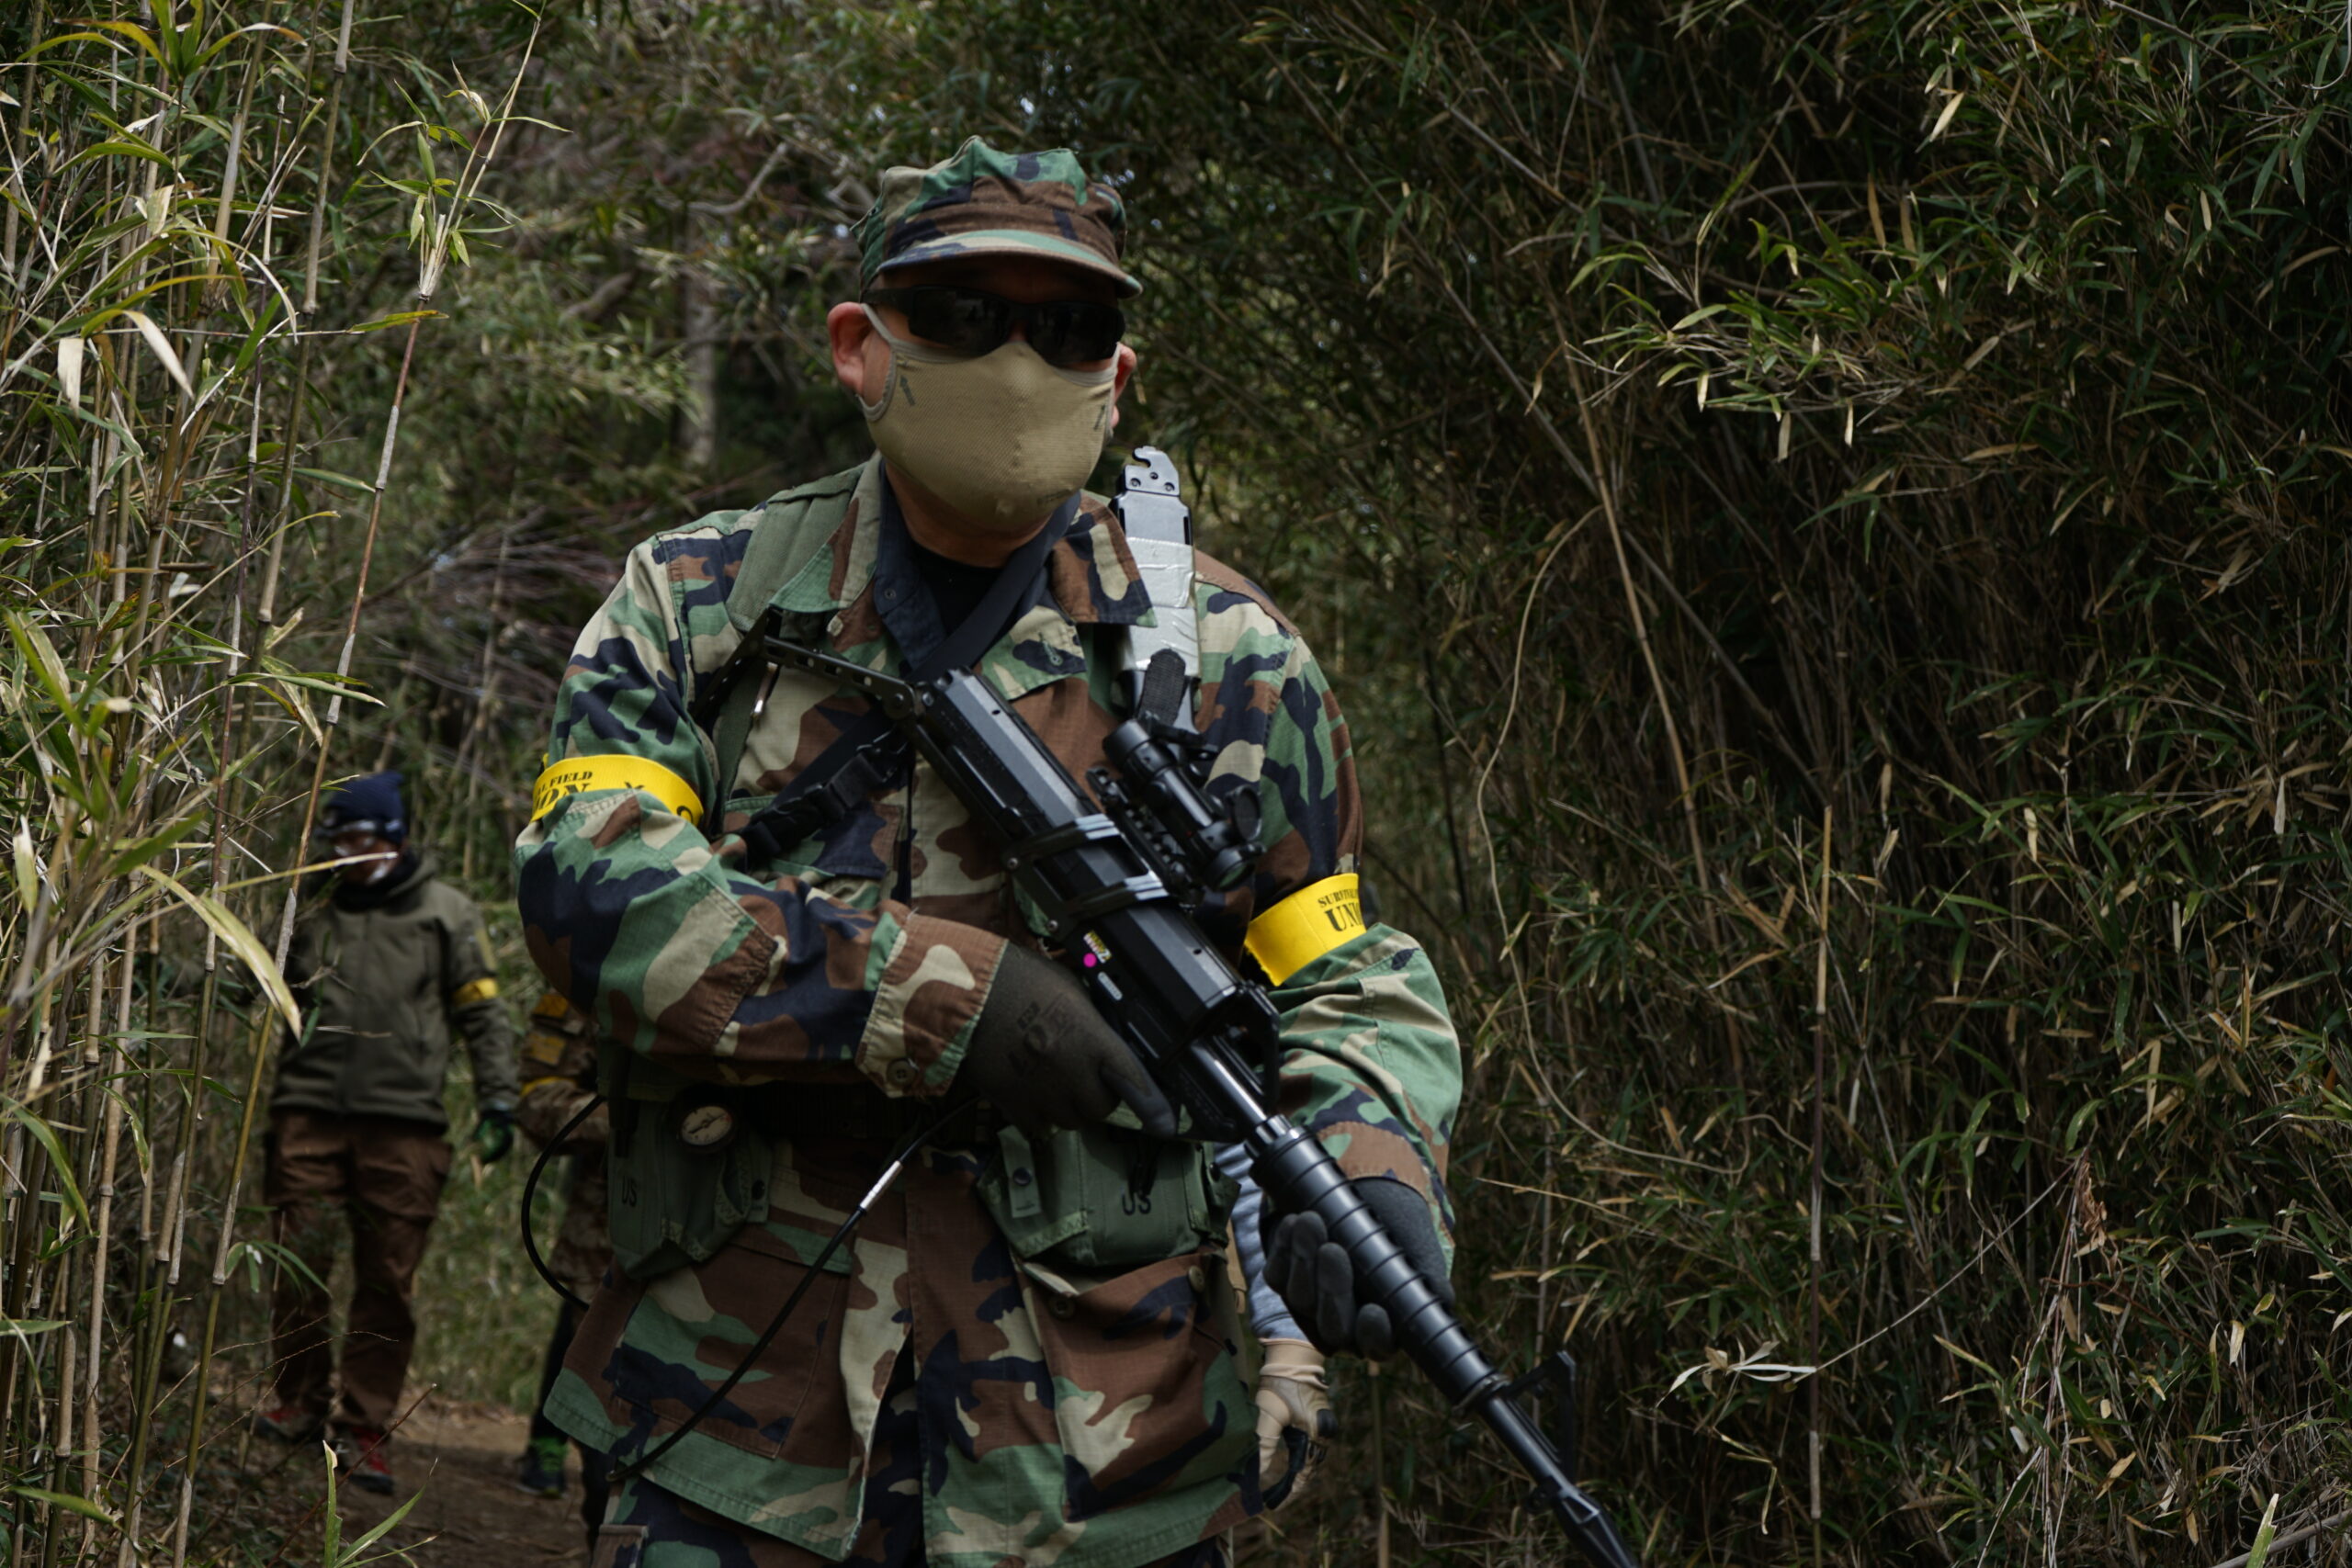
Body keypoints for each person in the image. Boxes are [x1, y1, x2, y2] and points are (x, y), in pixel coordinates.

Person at [513, 138, 1461, 1566]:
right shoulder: (700, 605)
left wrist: (1373, 1155)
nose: (1019, 363)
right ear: (861, 342)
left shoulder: (1228, 660)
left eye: (1066, 326)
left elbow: (1340, 971)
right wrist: (943, 996)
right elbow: (592, 890)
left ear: (1116, 375)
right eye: (965, 316)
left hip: (1107, 1467)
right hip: (733, 1429)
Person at [251, 771, 521, 1495]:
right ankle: (298, 1401)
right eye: (337, 839)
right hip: (306, 1115)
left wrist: (499, 1102)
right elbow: (252, 980)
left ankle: (364, 1426)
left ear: (393, 839)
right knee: (297, 1264)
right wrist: (169, 976)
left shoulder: (446, 912)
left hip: (405, 1130)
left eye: (360, 839)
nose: (346, 852)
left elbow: (484, 1014)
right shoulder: (312, 909)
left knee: (387, 1282)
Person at [511, 988, 615, 1541]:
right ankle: (549, 1442)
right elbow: (538, 1102)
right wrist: (642, 1115)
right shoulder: (594, 973)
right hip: (612, 1236)